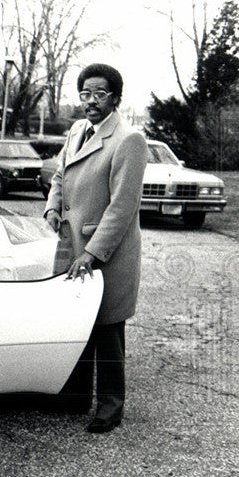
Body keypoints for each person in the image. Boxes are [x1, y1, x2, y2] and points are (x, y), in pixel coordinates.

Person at [44, 63, 147, 433]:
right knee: (75, 323)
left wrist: (92, 253)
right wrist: (52, 206)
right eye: (85, 93)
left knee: (106, 329)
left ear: (116, 98)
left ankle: (110, 407)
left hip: (106, 253)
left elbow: (122, 207)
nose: (90, 101)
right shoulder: (76, 130)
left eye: (99, 94)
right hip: (72, 246)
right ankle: (74, 398)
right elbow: (60, 174)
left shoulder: (129, 140)